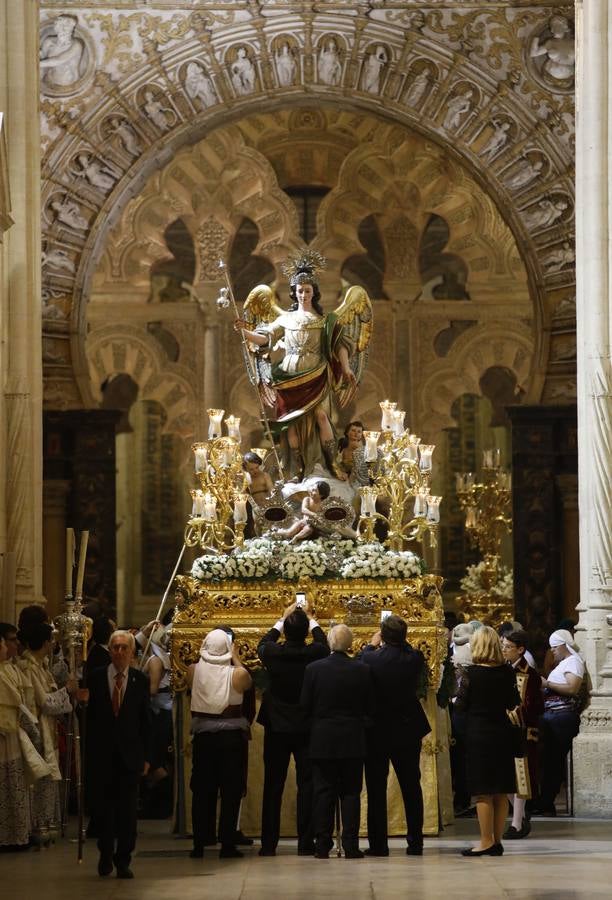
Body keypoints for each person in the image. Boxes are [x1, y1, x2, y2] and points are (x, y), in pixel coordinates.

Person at [235, 255, 363, 480]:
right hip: (289, 375)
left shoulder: (326, 321)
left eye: (307, 290)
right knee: (290, 426)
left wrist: (346, 367)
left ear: (314, 292)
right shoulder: (285, 319)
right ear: (294, 292)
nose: (304, 294)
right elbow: (264, 338)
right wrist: (244, 332)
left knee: (322, 418)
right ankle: (298, 467)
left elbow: (339, 344)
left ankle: (332, 462)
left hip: (317, 374)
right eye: (300, 290)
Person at [257, 601, 329, 856]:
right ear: (306, 632)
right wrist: (312, 619)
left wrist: (281, 619)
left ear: (285, 633)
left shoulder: (273, 653)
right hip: (306, 725)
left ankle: (268, 844)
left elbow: (263, 642)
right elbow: (325, 643)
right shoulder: (315, 653)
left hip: (277, 725)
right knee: (307, 784)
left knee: (272, 785)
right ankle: (305, 842)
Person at [300, 624, 373, 859]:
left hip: (323, 738)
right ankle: (351, 844)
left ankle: (322, 844)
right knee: (351, 792)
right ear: (350, 644)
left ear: (330, 643)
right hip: (352, 737)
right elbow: (368, 705)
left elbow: (305, 705)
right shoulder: (361, 669)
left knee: (323, 792)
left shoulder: (313, 669)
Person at [360, 615, 431, 856]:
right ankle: (415, 843)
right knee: (411, 787)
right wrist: (398, 641)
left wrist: (372, 643)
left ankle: (378, 845)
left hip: (377, 730)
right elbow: (410, 650)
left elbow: (364, 656)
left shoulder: (369, 657)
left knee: (376, 788)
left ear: (383, 635)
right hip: (407, 728)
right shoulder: (413, 658)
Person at [84, 630, 151, 879]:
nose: (119, 652)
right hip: (102, 755)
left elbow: (145, 721)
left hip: (130, 756)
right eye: (115, 647)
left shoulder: (139, 680)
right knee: (103, 811)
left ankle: (124, 859)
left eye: (124, 648)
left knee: (127, 813)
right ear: (110, 650)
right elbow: (88, 718)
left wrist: (147, 757)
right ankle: (104, 853)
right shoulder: (95, 677)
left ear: (132, 652)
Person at [455, 625, 520, 857]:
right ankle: (497, 841)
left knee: (483, 792)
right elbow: (513, 703)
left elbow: (460, 706)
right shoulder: (507, 672)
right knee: (501, 791)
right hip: (501, 733)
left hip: (478, 735)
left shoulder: (469, 674)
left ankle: (485, 841)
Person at [187, 628, 252, 859]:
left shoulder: (193, 671)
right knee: (230, 792)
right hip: (230, 740)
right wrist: (234, 655)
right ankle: (227, 844)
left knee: (202, 792)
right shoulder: (237, 674)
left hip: (204, 739)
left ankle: (199, 843)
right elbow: (248, 681)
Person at [15, 622, 77, 847]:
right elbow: (45, 701)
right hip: (37, 731)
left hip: (46, 729)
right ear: (43, 642)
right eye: (51, 639)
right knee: (40, 780)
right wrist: (67, 692)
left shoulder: (41, 665)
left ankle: (46, 826)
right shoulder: (29, 668)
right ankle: (37, 827)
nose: (53, 643)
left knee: (48, 779)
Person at [537, 628, 586, 816]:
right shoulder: (564, 663)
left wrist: (547, 684)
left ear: (565, 646)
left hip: (562, 717)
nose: (553, 652)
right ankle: (545, 801)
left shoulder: (573, 661)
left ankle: (547, 802)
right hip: (552, 716)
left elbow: (572, 688)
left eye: (555, 648)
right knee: (549, 760)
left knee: (554, 760)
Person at [501, 630, 543, 838]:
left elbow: (529, 707)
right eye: (503, 646)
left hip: (523, 731)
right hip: (505, 731)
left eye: (508, 647)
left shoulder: (530, 675)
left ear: (520, 649)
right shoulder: (503, 670)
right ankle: (521, 816)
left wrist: (504, 715)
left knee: (521, 776)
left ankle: (516, 823)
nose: (504, 650)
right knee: (505, 776)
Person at [39, 14, 84, 88]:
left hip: (68, 82)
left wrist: (33, 65)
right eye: (61, 27)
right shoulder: (49, 41)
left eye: (67, 28)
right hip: (50, 78)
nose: (64, 30)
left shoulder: (76, 45)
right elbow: (42, 55)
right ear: (56, 29)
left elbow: (58, 60)